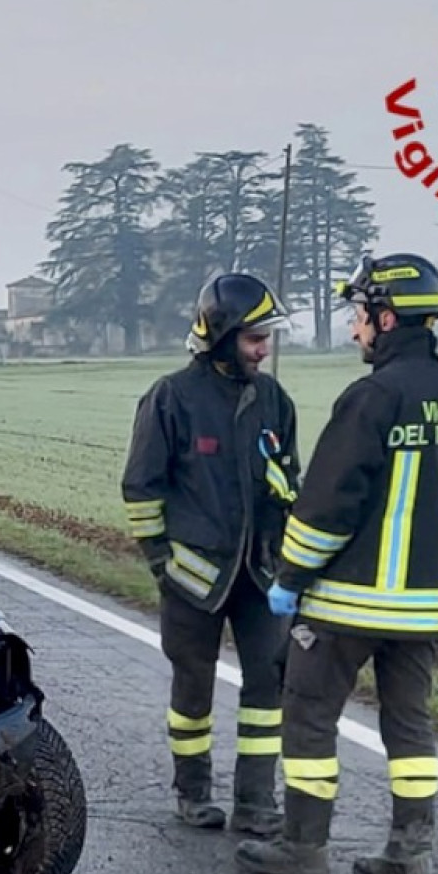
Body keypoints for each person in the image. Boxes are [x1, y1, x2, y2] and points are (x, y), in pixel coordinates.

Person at [235, 253, 438, 874]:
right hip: (425, 607)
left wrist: (290, 577)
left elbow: (326, 504)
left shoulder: (371, 398)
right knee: (410, 728)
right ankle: (409, 856)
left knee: (310, 716)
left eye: (360, 315)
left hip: (348, 602)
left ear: (387, 315)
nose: (354, 330)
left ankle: (303, 848)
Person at [120, 272, 302, 837]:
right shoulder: (172, 397)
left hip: (258, 576)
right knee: (193, 686)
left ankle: (255, 800)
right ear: (222, 335)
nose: (263, 349)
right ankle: (192, 790)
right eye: (254, 337)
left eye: (267, 337)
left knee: (267, 686)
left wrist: (289, 561)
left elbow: (288, 481)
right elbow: (141, 488)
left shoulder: (275, 399)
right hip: (192, 578)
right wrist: (161, 564)